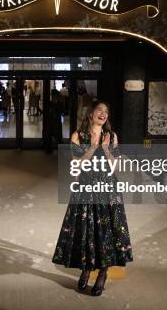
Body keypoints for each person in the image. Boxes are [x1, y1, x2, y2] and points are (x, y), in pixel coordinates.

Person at [52, 101, 133, 296]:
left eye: (106, 111)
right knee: (87, 230)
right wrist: (93, 147)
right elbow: (77, 167)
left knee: (106, 232)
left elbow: (117, 168)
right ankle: (86, 269)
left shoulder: (112, 137)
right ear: (90, 114)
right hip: (85, 189)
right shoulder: (77, 136)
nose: (103, 114)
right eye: (99, 110)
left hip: (108, 190)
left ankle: (103, 273)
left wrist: (105, 148)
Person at [45, 89, 63, 153]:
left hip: (56, 121)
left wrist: (54, 111)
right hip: (51, 121)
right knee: (50, 135)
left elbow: (61, 111)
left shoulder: (59, 103)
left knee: (58, 136)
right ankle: (49, 149)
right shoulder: (50, 103)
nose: (54, 96)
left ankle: (59, 149)